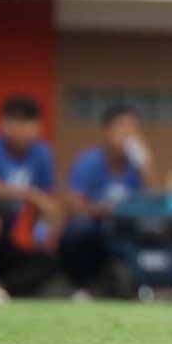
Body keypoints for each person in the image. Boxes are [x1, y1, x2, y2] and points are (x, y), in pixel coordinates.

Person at [0, 94, 62, 297]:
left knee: (47, 261)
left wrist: (45, 232)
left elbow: (47, 202)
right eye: (16, 124)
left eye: (29, 124)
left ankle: (1, 291)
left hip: (5, 238)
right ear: (4, 125)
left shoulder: (42, 153)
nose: (23, 131)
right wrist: (28, 193)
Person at [61, 104, 154, 295]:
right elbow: (73, 204)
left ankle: (146, 287)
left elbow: (152, 199)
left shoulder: (137, 165)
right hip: (95, 231)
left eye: (132, 128)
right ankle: (80, 286)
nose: (127, 133)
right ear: (107, 131)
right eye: (121, 126)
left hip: (125, 233)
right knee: (78, 228)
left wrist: (146, 165)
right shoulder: (89, 161)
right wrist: (103, 210)